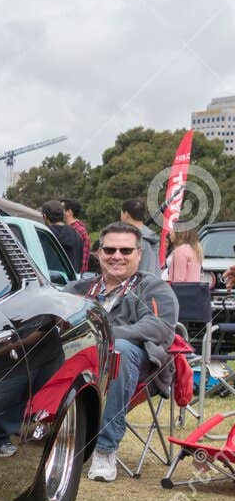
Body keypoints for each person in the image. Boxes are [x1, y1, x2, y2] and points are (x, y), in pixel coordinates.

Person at [76, 223, 178, 482]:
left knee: (119, 350)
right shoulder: (81, 288)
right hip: (81, 362)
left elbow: (158, 327)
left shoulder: (153, 288)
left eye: (125, 250)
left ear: (139, 254)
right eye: (109, 249)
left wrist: (101, 335)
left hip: (139, 364)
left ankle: (104, 451)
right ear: (99, 253)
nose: (117, 256)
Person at [119, 197, 161, 275]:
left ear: (126, 215)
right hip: (154, 284)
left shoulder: (133, 238)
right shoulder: (152, 236)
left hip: (138, 285)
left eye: (121, 214)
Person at [42, 200, 85, 272]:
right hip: (74, 281)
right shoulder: (76, 234)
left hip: (51, 281)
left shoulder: (44, 234)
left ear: (44, 216)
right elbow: (80, 262)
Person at [61, 199, 90, 271]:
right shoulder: (73, 228)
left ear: (69, 212)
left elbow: (83, 260)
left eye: (61, 209)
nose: (58, 211)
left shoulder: (79, 230)